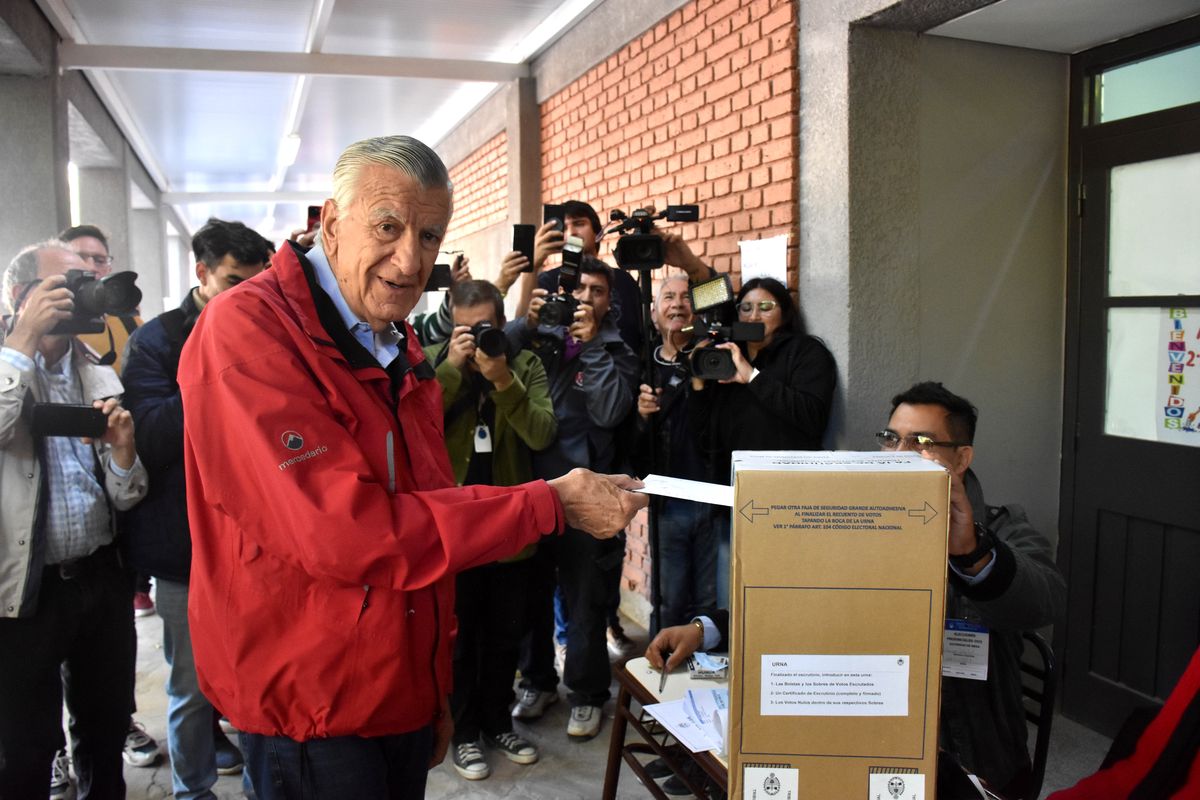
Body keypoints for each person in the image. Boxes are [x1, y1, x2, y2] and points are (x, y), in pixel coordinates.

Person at [178, 134, 646, 798]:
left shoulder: (392, 340)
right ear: (331, 223)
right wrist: (549, 502)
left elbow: (427, 510)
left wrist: (429, 689)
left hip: (395, 690)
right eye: (389, 228)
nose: (408, 261)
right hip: (313, 708)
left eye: (428, 237)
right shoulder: (248, 332)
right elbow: (348, 533)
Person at [650, 381, 1065, 797]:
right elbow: (794, 597)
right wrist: (708, 630)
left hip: (964, 761)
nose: (901, 454)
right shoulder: (861, 523)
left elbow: (1043, 601)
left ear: (961, 458)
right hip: (859, 740)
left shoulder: (1001, 530)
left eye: (922, 442)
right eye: (892, 439)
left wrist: (972, 552)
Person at [121, 218, 274, 796]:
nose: (246, 296)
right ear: (202, 273)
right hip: (182, 547)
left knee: (259, 678)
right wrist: (217, 367)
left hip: (257, 541)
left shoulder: (268, 333)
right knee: (189, 687)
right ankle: (193, 790)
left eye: (256, 282)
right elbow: (154, 439)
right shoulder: (156, 342)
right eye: (235, 281)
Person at [0, 240, 149, 798]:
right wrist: (19, 338)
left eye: (90, 279)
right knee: (23, 747)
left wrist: (124, 454)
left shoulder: (99, 373)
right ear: (22, 294)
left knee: (104, 729)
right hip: (23, 591)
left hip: (100, 579)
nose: (85, 290)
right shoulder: (6, 362)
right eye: (68, 282)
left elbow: (126, 497)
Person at [423, 279, 556, 782]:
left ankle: (499, 721)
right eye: (464, 328)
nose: (475, 337)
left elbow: (542, 431)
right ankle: (463, 733)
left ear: (502, 322)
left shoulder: (523, 364)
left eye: (484, 328)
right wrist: (453, 371)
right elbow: (414, 425)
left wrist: (503, 381)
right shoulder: (433, 361)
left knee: (505, 636)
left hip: (508, 527)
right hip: (453, 527)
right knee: (459, 640)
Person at [506, 256, 640, 740]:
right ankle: (537, 681)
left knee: (586, 602)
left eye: (598, 291)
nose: (585, 297)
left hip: (588, 498)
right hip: (532, 486)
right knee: (532, 596)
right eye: (579, 287)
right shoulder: (539, 340)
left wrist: (591, 347)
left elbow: (609, 412)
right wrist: (528, 322)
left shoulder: (617, 349)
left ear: (609, 302)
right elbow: (497, 357)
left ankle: (586, 693)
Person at [687, 276, 836, 606]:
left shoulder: (807, 353)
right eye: (746, 307)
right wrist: (699, 384)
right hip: (735, 501)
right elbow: (705, 434)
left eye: (765, 307)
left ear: (784, 312)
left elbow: (812, 417)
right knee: (734, 601)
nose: (754, 316)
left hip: (792, 501)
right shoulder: (726, 357)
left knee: (791, 597)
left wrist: (751, 377)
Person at [634, 275, 719, 632]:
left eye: (687, 297)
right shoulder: (642, 366)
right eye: (668, 297)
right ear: (655, 313)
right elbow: (633, 448)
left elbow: (716, 430)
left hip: (715, 500)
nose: (678, 303)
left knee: (710, 604)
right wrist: (641, 417)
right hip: (670, 502)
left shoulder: (715, 361)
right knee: (669, 601)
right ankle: (662, 680)